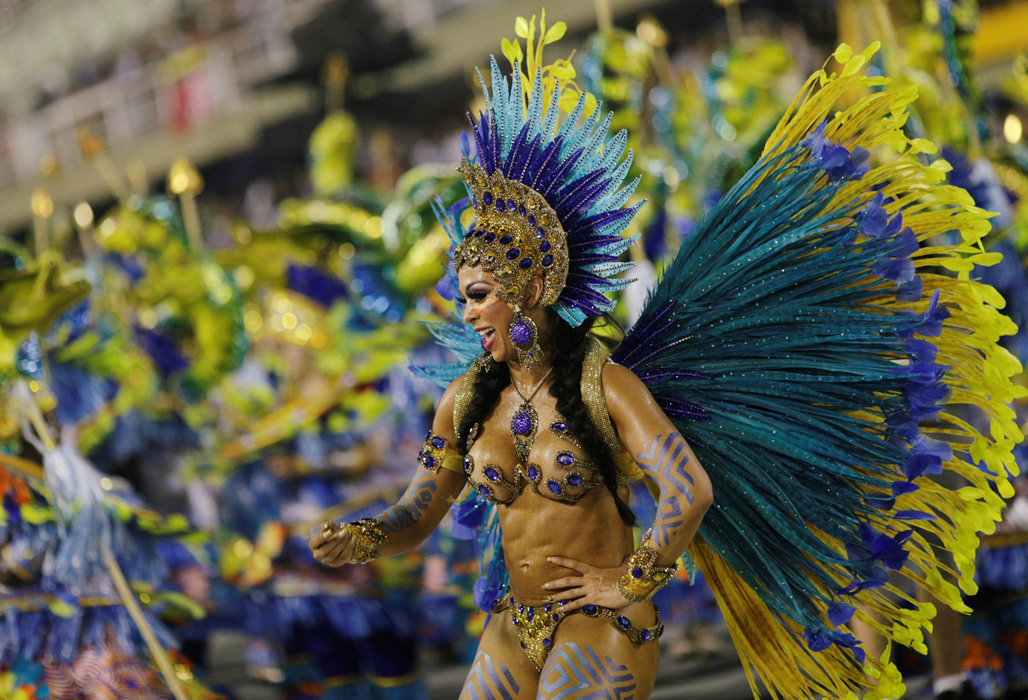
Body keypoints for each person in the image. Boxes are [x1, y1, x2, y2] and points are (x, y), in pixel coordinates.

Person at [312, 24, 1023, 700]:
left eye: (478, 297)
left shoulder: (604, 386)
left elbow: (688, 492)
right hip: (508, 631)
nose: (466, 313)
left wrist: (630, 581)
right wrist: (364, 536)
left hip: (602, 627)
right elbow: (421, 508)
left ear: (529, 293)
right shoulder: (464, 402)